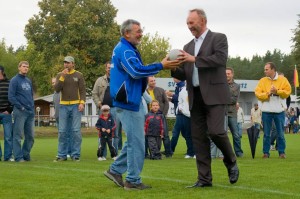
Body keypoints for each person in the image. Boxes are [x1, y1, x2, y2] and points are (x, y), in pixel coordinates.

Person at [103, 19, 180, 190]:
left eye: (140, 30)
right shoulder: (125, 50)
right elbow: (136, 71)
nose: (141, 33)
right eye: (137, 31)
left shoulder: (125, 48)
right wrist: (161, 65)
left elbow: (136, 70)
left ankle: (115, 170)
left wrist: (160, 64)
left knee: (134, 141)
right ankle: (132, 180)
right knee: (137, 143)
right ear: (126, 33)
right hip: (129, 102)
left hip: (130, 101)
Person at [171, 8, 239, 187]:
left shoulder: (218, 38)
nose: (189, 26)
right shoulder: (187, 47)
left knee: (216, 131)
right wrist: (172, 66)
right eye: (187, 23)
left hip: (215, 95)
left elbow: (220, 59)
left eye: (191, 23)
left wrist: (194, 59)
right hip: (195, 96)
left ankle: (231, 161)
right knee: (199, 139)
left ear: (202, 20)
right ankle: (204, 179)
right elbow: (185, 73)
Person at [255, 62, 291, 159]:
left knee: (280, 133)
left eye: (266, 69)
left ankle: (282, 152)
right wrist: (268, 93)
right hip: (266, 111)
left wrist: (277, 91)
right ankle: (266, 153)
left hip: (279, 111)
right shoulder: (262, 81)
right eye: (265, 69)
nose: (265, 71)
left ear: (273, 69)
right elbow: (257, 93)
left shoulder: (283, 80)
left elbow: (287, 93)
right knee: (266, 134)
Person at [54, 56, 86, 162]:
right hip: (63, 106)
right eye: (64, 63)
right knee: (62, 131)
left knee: (76, 131)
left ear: (73, 63)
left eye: (68, 63)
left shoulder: (79, 75)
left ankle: (75, 155)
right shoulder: (60, 75)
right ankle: (62, 155)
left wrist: (82, 103)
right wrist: (62, 77)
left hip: (76, 106)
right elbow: (57, 89)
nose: (66, 64)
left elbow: (82, 91)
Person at [92, 61, 122, 156]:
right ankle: (102, 155)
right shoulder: (100, 80)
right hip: (103, 110)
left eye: (111, 68)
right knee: (102, 133)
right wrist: (98, 103)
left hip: (116, 109)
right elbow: (94, 93)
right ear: (106, 68)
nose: (110, 69)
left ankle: (115, 154)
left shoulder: (119, 79)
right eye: (108, 67)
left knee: (116, 133)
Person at [8, 61, 35, 162]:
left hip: (30, 111)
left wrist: (32, 106)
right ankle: (18, 157)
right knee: (18, 135)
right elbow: (11, 97)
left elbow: (31, 95)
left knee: (31, 136)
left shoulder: (28, 81)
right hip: (20, 111)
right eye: (24, 66)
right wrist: (20, 107)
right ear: (19, 68)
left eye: (27, 67)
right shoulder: (14, 80)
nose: (26, 68)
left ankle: (25, 154)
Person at [166, 78, 194, 158]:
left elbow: (183, 99)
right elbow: (179, 100)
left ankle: (170, 151)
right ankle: (190, 151)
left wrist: (172, 95)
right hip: (180, 112)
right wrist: (171, 99)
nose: (174, 79)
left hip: (184, 113)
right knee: (185, 134)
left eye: (176, 77)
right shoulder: (179, 86)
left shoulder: (182, 86)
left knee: (179, 133)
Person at [146, 76, 172, 158]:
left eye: (154, 80)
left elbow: (166, 103)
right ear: (148, 82)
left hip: (160, 116)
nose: (153, 82)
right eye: (151, 81)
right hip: (149, 117)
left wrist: (163, 114)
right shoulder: (145, 91)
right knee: (149, 135)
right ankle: (149, 153)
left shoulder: (160, 90)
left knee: (165, 134)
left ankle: (168, 152)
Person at [52, 77, 71, 158]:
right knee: (61, 135)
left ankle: (68, 152)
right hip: (58, 117)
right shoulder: (54, 94)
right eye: (52, 83)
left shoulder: (63, 92)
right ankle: (63, 151)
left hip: (64, 117)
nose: (53, 84)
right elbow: (55, 106)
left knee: (66, 134)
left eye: (54, 82)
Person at [226, 67, 243, 157]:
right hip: (222, 114)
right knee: (222, 135)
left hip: (232, 113)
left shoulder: (237, 86)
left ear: (232, 74)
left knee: (236, 135)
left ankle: (239, 153)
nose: (227, 75)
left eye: (228, 73)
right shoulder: (220, 84)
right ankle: (224, 153)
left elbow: (234, 99)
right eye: (225, 73)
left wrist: (223, 99)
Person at [0, 65, 14, 161]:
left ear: (1, 71)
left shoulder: (9, 83)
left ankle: (8, 156)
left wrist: (9, 110)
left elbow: (12, 98)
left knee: (8, 136)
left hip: (6, 114)